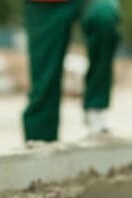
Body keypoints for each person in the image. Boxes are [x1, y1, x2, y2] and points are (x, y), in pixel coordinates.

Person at [23, 0, 120, 142]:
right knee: (44, 84)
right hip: (44, 4)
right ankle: (40, 143)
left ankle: (96, 107)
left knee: (103, 17)